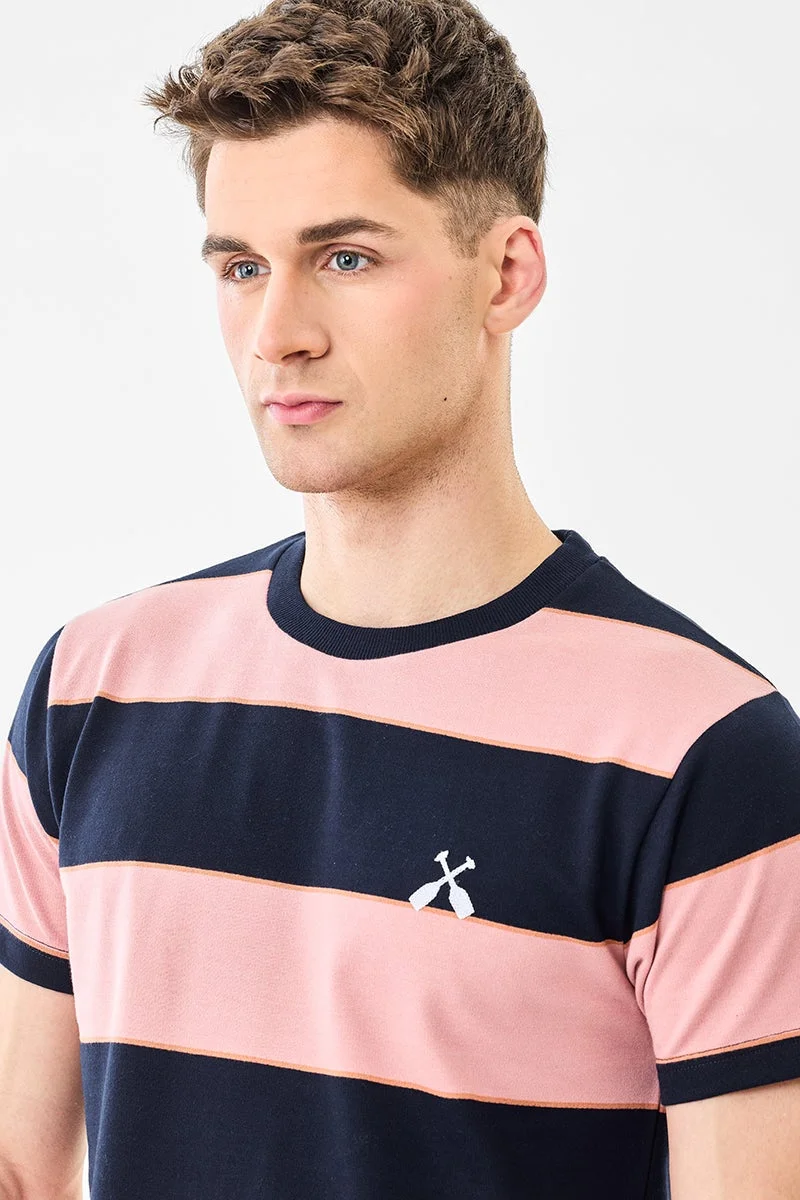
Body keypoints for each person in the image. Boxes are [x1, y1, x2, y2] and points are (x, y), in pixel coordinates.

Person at [1, 1, 799, 1197]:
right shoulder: (94, 689)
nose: (276, 334)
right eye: (241, 267)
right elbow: (19, 1164)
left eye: (345, 258)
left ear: (506, 275)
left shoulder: (697, 751)